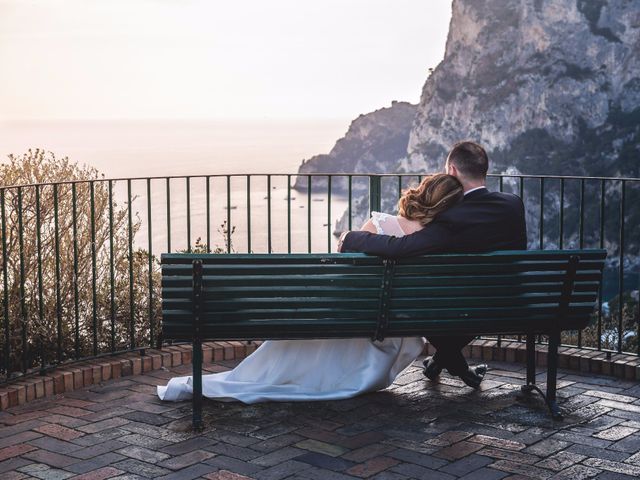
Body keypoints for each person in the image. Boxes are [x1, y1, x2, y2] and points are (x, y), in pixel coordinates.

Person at [158, 174, 464, 404]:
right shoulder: (442, 242)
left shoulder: (379, 226)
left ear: (422, 192)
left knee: (299, 337)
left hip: (353, 322)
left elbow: (344, 283)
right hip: (399, 332)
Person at [338, 141, 527, 388]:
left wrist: (351, 237)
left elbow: (401, 248)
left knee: (428, 302)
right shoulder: (513, 204)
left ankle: (446, 362)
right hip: (507, 303)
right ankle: (445, 364)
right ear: (484, 171)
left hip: (459, 305)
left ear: (452, 171)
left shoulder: (452, 217)